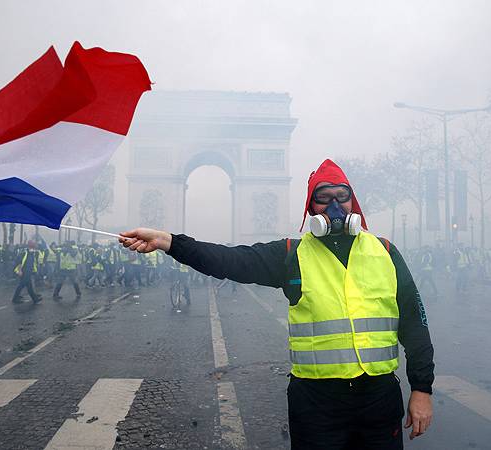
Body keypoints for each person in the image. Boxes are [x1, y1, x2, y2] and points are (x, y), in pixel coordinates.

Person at [119, 159, 434, 449]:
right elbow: (230, 260)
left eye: (343, 195)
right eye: (324, 197)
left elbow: (415, 324)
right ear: (311, 207)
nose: (336, 205)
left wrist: (422, 389)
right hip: (316, 402)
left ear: (354, 201)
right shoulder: (290, 254)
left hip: (378, 397)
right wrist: (169, 242)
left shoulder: (386, 251)